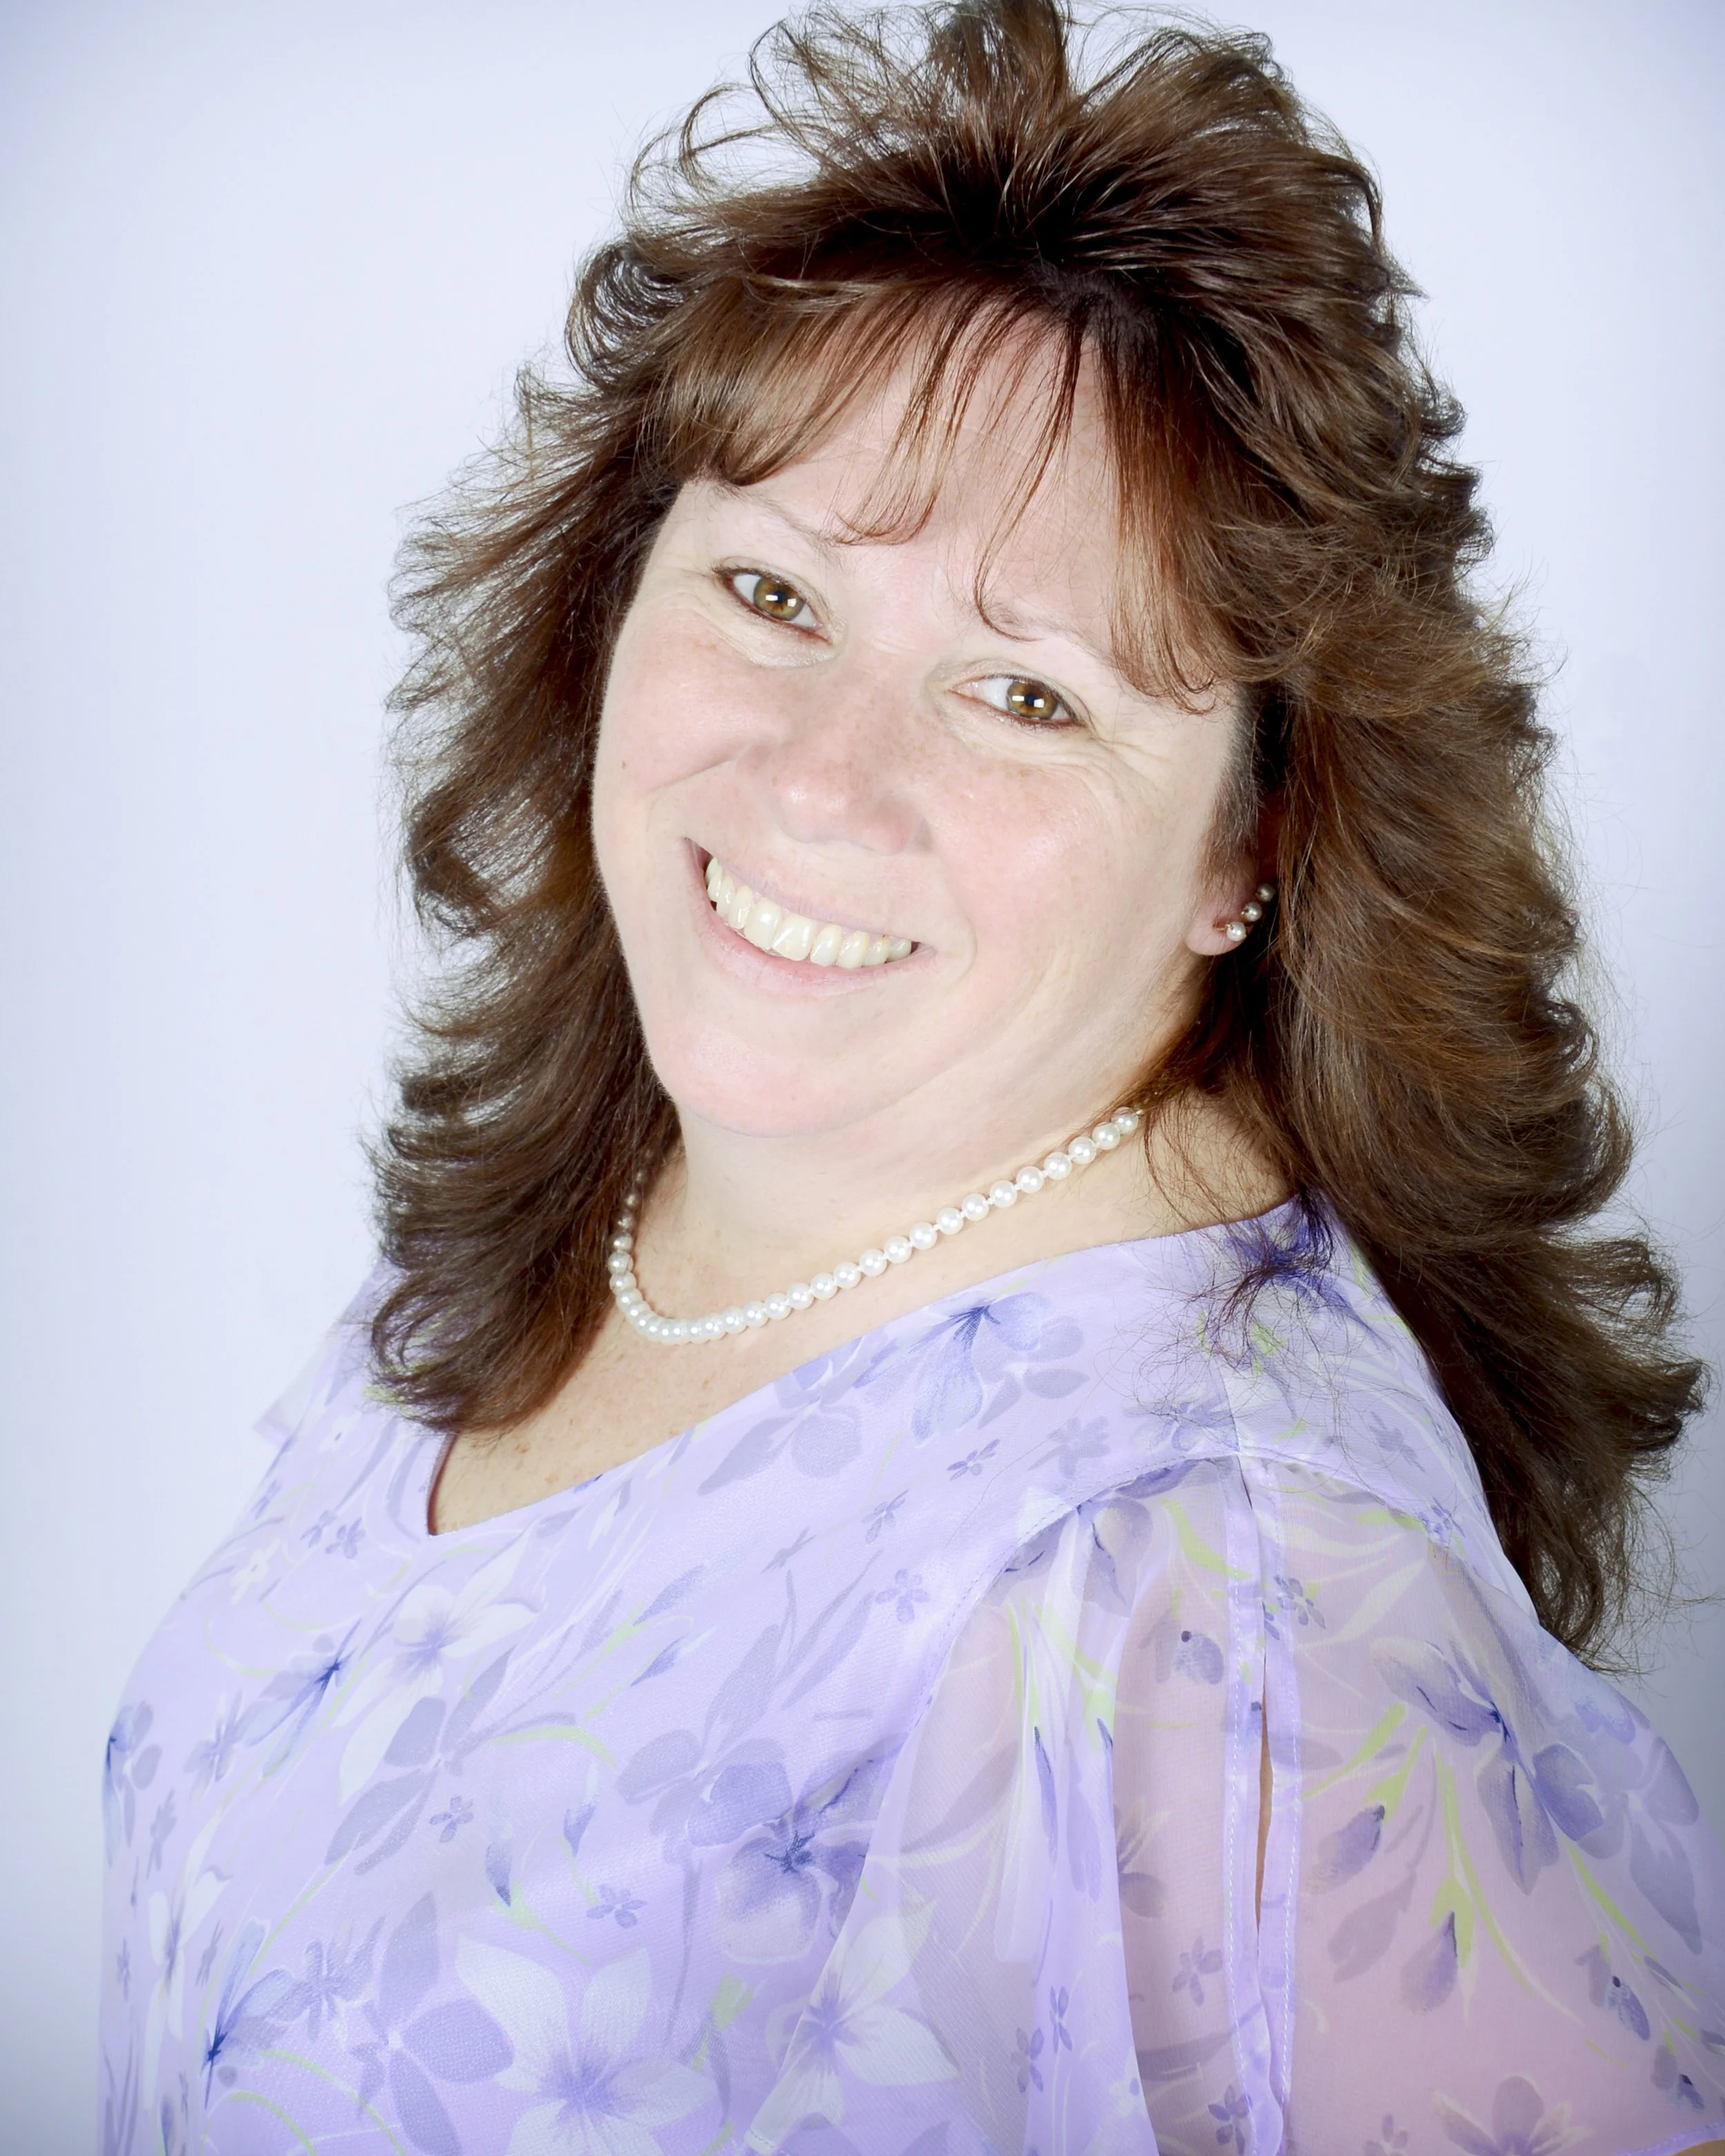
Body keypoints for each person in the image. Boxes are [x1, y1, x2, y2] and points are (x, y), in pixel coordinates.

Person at [100, 4, 1725, 2150]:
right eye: (771, 590)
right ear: (612, 600)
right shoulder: (614, 1203)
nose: (818, 778)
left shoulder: (1226, 1588)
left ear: (1248, 843)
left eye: (1025, 695)